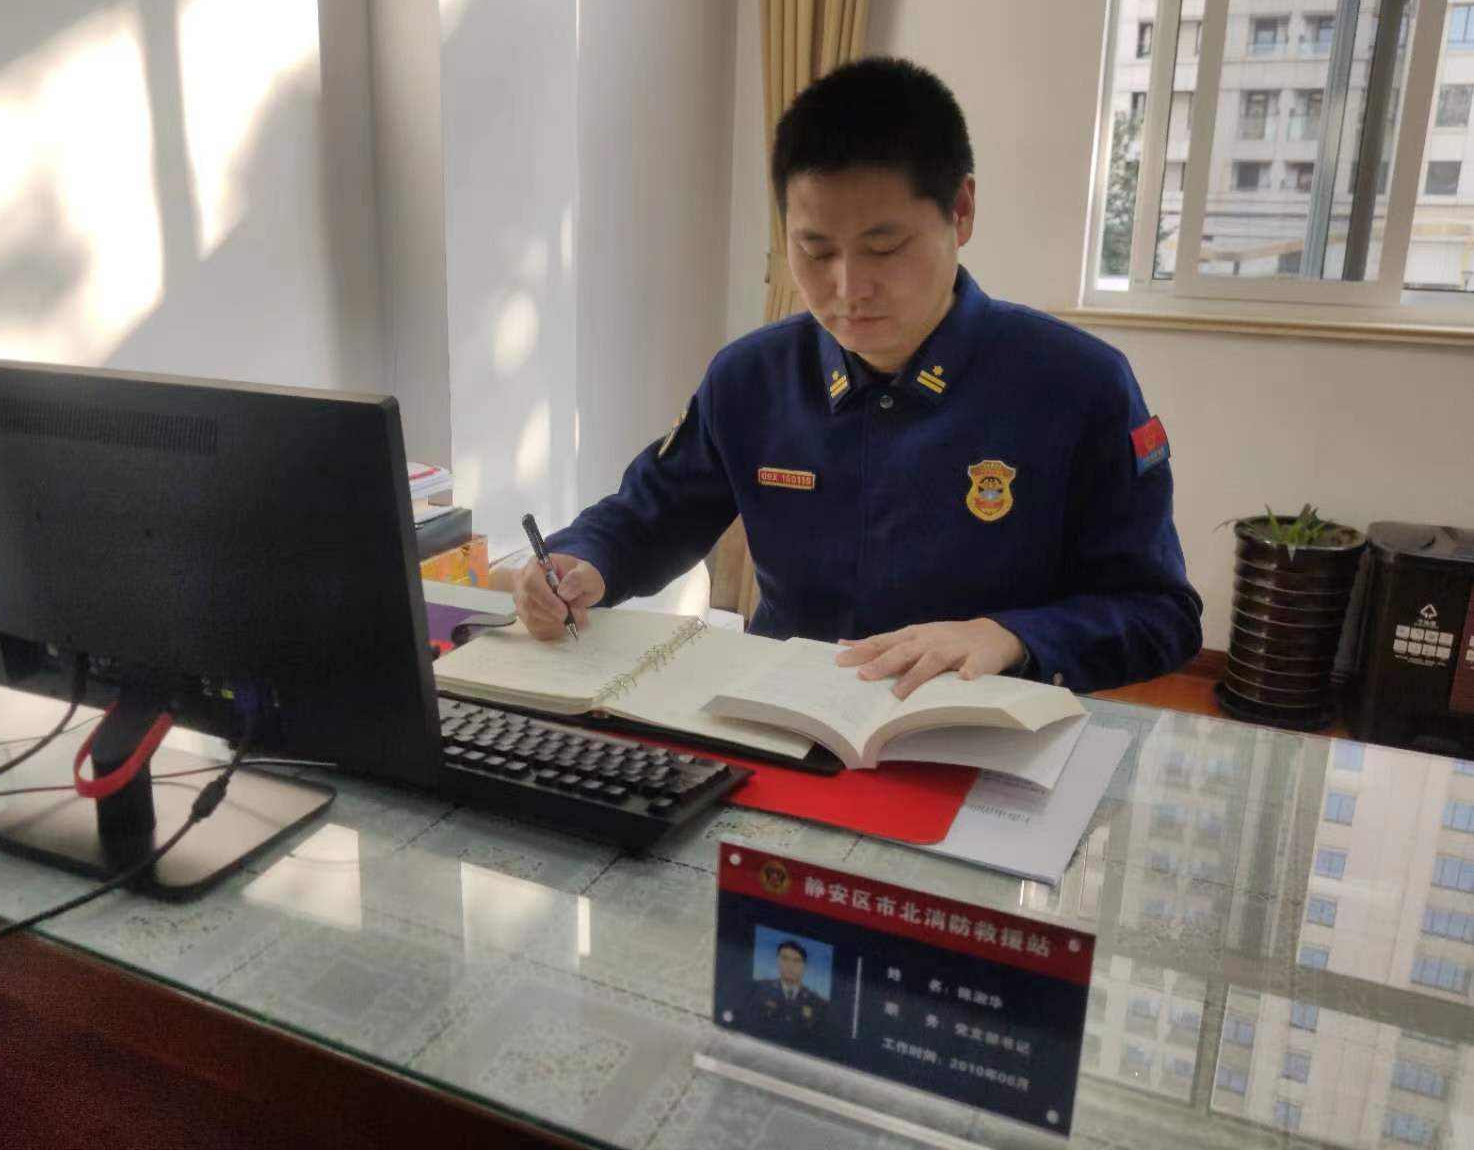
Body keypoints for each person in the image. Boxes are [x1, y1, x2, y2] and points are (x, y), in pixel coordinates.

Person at [497, 56, 1202, 697]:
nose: (847, 288)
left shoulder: (1077, 386)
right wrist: (579, 561)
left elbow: (1160, 614)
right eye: (815, 250)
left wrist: (1010, 637)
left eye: (883, 247)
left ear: (961, 210)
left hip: (979, 734)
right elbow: (652, 514)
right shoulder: (752, 378)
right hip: (782, 717)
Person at [739, 939, 830, 1044]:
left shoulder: (817, 1002)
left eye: (796, 961)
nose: (790, 965)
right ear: (778, 961)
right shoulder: (759, 989)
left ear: (804, 967)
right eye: (785, 958)